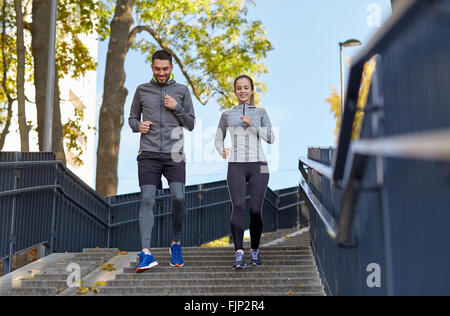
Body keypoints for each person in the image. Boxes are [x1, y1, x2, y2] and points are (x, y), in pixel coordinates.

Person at [128, 50, 196, 272]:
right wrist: (138, 126)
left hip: (174, 153)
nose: (161, 73)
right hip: (148, 152)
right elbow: (132, 118)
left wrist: (176, 107)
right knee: (147, 199)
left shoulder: (182, 91)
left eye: (165, 69)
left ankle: (175, 244)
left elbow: (191, 124)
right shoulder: (142, 90)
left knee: (178, 198)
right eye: (157, 69)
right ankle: (146, 253)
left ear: (171, 68)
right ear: (152, 67)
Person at [215, 75, 275, 270]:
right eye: (239, 88)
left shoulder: (260, 112)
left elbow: (271, 138)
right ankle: (239, 252)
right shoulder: (227, 114)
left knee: (255, 210)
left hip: (259, 165)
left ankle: (255, 251)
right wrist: (221, 150)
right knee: (238, 206)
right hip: (236, 165)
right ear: (235, 91)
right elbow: (218, 137)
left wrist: (253, 124)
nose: (242, 91)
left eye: (246, 87)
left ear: (251, 90)